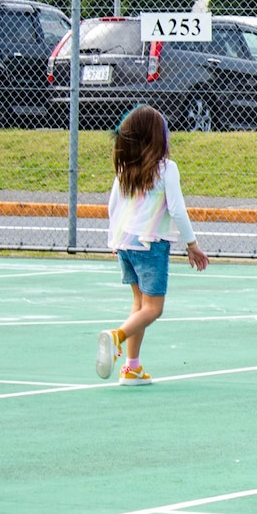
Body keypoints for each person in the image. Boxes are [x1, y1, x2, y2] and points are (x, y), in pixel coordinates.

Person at [95, 106, 209, 385]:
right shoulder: (166, 169)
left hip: (125, 244)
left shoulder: (124, 169)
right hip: (151, 246)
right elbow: (178, 211)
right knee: (153, 308)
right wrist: (192, 245)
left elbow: (113, 206)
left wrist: (115, 240)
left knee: (139, 305)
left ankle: (132, 368)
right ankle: (116, 337)